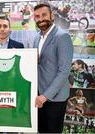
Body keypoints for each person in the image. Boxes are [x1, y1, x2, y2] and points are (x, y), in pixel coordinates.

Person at [33, 3, 73, 133]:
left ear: (52, 15)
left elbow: (64, 71)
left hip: (55, 98)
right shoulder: (36, 38)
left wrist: (45, 96)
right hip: (39, 96)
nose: (41, 19)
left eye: (44, 15)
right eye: (37, 16)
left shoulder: (62, 37)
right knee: (42, 130)